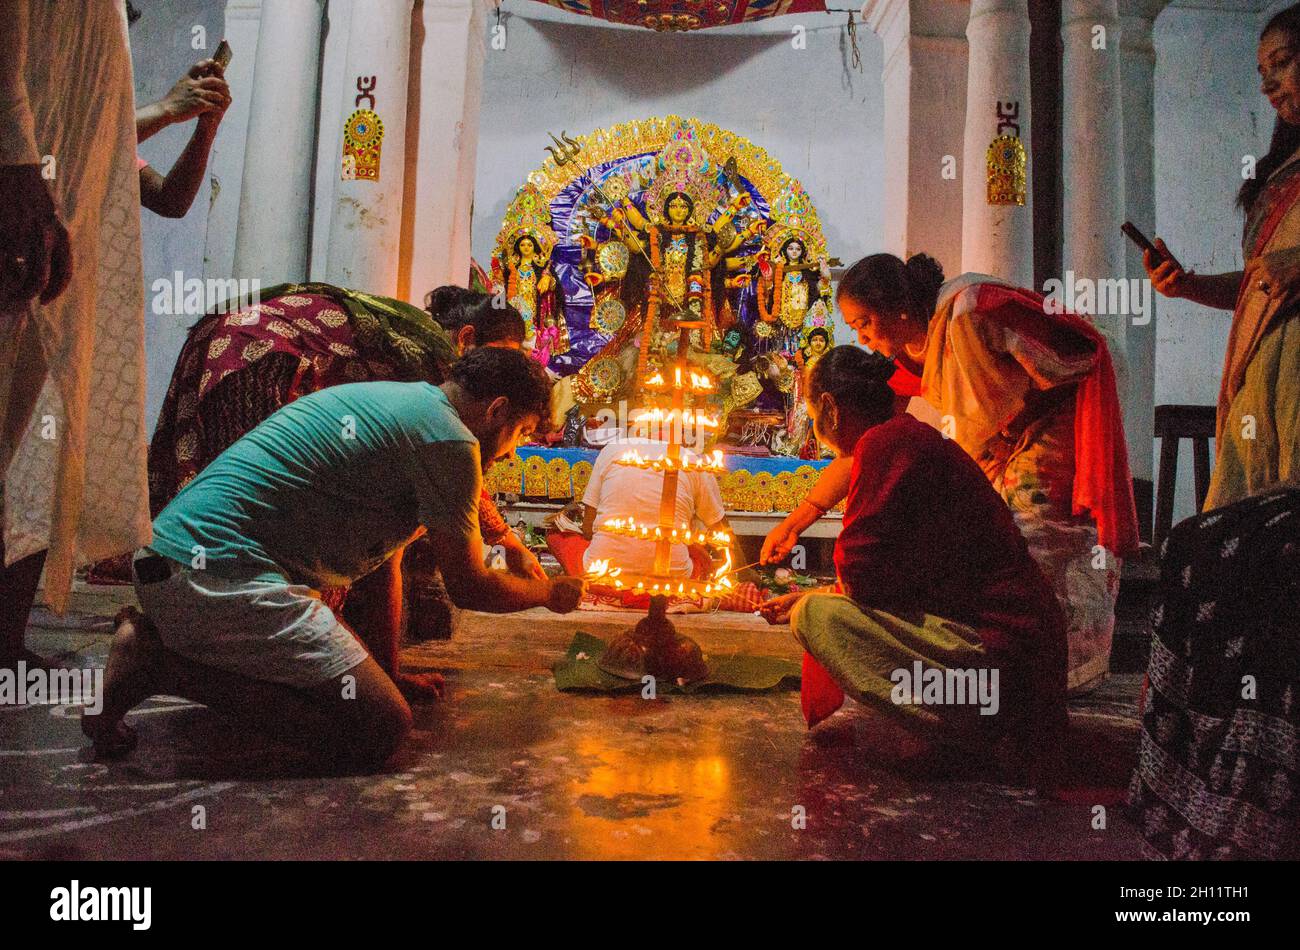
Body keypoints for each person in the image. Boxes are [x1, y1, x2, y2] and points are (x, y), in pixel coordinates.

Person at [84, 347, 585, 771]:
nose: (516, 452)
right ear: (497, 410)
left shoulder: (411, 406)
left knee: (369, 699)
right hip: (215, 575)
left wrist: (385, 672)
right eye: (521, 431)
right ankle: (156, 664)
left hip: (177, 564)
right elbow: (469, 586)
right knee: (378, 730)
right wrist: (548, 593)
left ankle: (163, 650)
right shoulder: (448, 440)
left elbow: (384, 565)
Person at [765, 254, 1138, 694]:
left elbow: (1076, 352)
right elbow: (862, 448)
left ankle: (1059, 671)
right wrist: (796, 522)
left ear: (897, 307)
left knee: (1036, 534)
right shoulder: (911, 356)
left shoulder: (971, 309)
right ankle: (1020, 668)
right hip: (1002, 438)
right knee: (994, 535)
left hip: (1054, 418)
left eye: (864, 322)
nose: (863, 337)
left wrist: (821, 599)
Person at [135, 282, 540, 655]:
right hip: (262, 356)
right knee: (272, 516)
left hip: (238, 343)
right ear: (468, 340)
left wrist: (505, 539)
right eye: (499, 356)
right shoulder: (439, 373)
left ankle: (189, 619)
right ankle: (215, 639)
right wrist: (519, 558)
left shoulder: (434, 383)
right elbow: (454, 469)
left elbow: (448, 478)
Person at [758, 347, 1068, 770]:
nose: (815, 429)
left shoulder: (888, 444)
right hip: (1019, 652)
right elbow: (897, 575)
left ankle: (964, 724)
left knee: (817, 616)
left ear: (830, 409)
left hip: (1001, 654)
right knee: (818, 606)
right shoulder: (901, 437)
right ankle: (967, 718)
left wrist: (813, 598)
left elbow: (863, 572)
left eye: (813, 414)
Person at [1, 2, 149, 665]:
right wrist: (18, 164)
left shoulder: (102, 40)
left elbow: (164, 190)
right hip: (30, 199)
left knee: (37, 444)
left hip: (64, 213)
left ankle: (5, 643)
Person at [1145, 3, 1300, 510]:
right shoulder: (1281, 171)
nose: (1267, 85)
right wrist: (1187, 285)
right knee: (1255, 542)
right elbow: (1261, 286)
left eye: (1282, 62)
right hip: (1264, 374)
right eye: (1262, 72)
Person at [135, 57, 231, 217]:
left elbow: (170, 202)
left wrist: (207, 126)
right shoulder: (90, 136)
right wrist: (167, 108)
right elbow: (96, 142)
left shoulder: (112, 152)